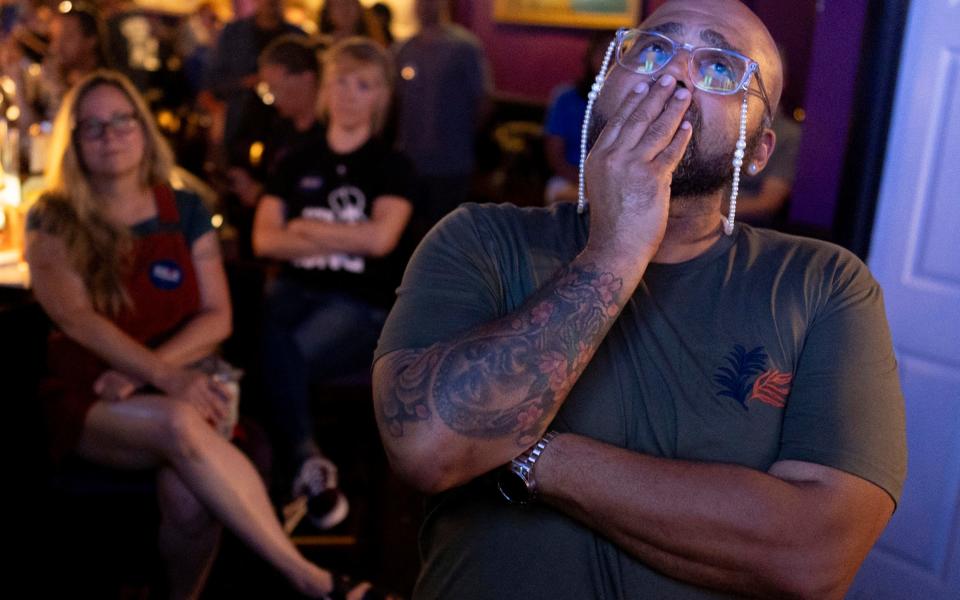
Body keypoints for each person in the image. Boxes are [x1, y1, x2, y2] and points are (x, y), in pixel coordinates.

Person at [371, 1, 907, 598]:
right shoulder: (480, 236)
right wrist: (617, 247)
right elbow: (428, 449)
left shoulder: (824, 282)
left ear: (758, 151)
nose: (672, 76)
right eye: (652, 50)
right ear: (604, 87)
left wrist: (528, 453)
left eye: (721, 68)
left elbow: (816, 556)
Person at [24, 70, 363, 600]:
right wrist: (161, 377)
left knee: (189, 498)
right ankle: (312, 580)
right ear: (73, 142)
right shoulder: (52, 216)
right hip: (90, 393)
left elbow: (217, 317)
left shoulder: (183, 209)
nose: (110, 135)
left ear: (142, 127)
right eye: (92, 127)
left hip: (171, 380)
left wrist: (151, 375)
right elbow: (76, 319)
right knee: (182, 422)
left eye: (121, 121)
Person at [253, 38, 415, 531]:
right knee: (262, 340)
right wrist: (346, 237)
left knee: (274, 354)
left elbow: (381, 239)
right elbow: (263, 240)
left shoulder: (393, 166)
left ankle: (276, 480)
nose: (348, 94)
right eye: (340, 81)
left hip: (358, 304)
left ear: (380, 98)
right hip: (294, 291)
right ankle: (303, 469)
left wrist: (302, 229)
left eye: (362, 84)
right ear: (324, 90)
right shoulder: (295, 159)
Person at [393, 0, 490, 231]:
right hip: (410, 160)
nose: (426, 6)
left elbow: (483, 101)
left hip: (452, 162)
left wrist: (462, 138)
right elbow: (394, 103)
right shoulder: (402, 49)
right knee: (407, 235)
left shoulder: (464, 47)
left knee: (444, 235)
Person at [205, 0, 303, 152]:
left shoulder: (298, 37)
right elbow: (214, 82)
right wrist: (247, 82)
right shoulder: (234, 33)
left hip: (285, 131)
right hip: (241, 127)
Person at [542, 30, 614, 205]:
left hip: (615, 184)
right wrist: (588, 185)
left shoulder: (635, 101)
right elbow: (555, 156)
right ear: (590, 56)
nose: (611, 59)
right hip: (572, 180)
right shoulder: (566, 98)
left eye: (619, 53)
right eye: (604, 51)